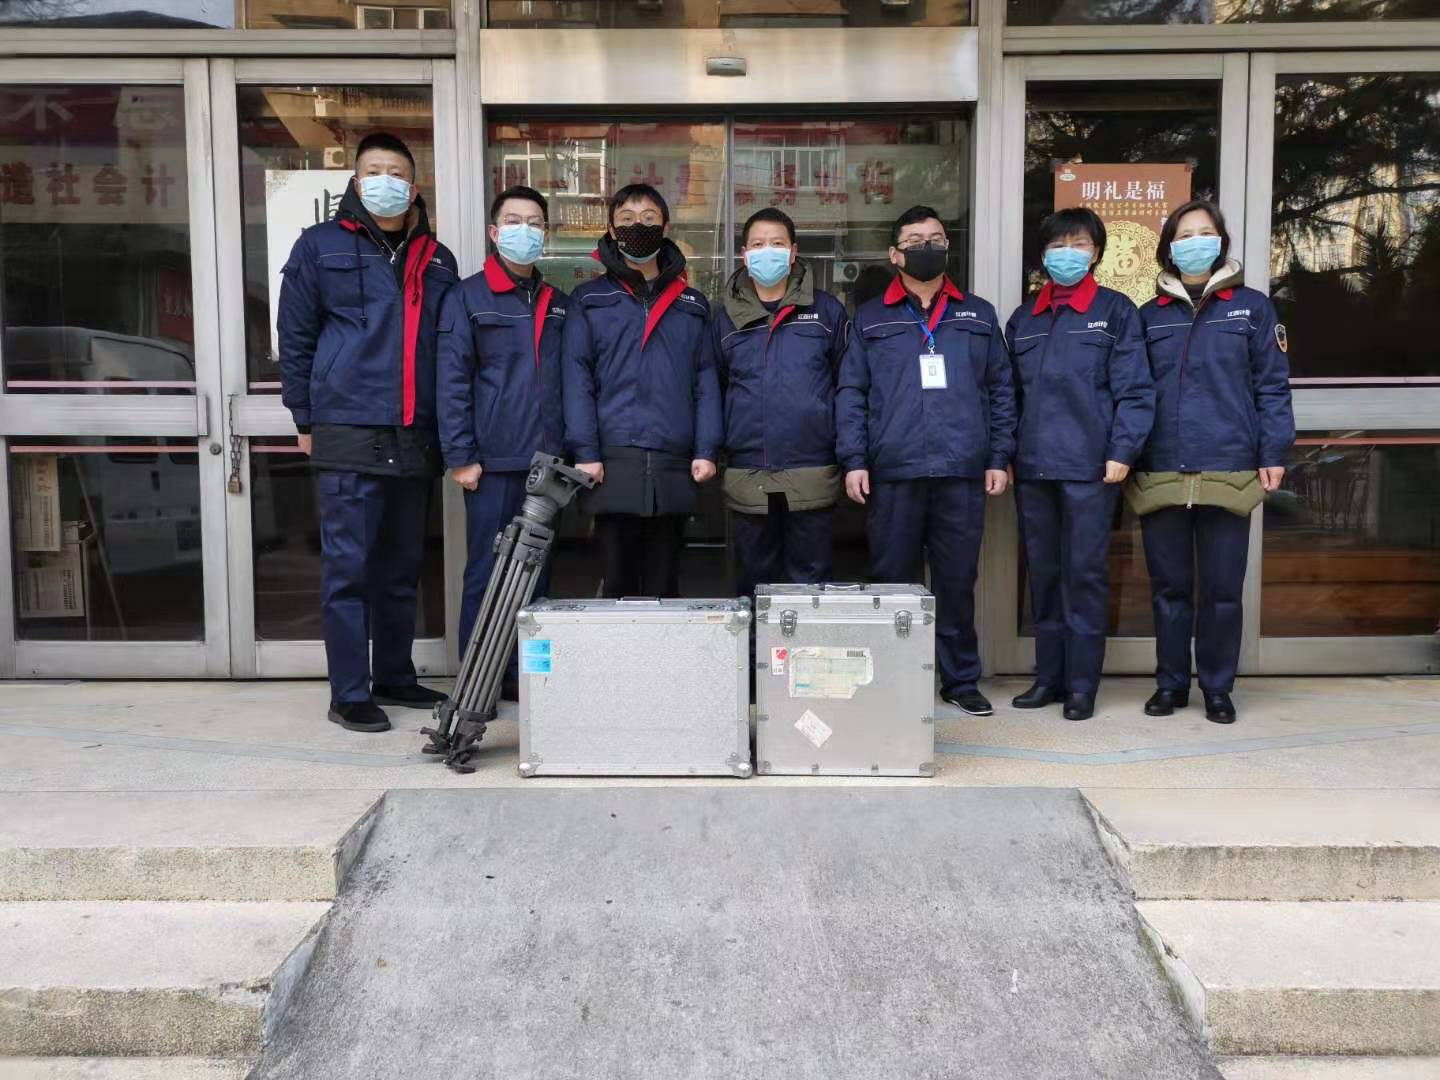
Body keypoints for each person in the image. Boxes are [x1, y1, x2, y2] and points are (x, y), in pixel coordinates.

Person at [278, 132, 459, 732]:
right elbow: (296, 337)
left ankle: (395, 676)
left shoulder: (437, 258)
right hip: (349, 428)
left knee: (402, 567)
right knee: (349, 570)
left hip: (415, 433)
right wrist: (304, 417)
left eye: (397, 173)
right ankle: (350, 692)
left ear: (413, 186)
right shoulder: (319, 246)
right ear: (356, 182)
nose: (386, 181)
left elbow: (449, 350)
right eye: (375, 170)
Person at [836, 205, 1017, 717]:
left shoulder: (977, 314)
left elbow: (1001, 389)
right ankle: (892, 680)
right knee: (892, 581)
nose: (927, 247)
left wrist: (998, 456)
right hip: (894, 471)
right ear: (895, 254)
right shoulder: (870, 317)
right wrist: (854, 459)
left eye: (935, 238)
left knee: (956, 582)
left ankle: (960, 679)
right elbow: (851, 393)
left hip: (961, 470)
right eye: (915, 240)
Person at [1129, 198, 1295, 724]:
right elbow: (1133, 393)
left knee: (1223, 590)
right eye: (1184, 235)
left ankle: (1218, 688)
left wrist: (1273, 451)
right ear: (1169, 247)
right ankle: (1171, 684)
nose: (1195, 242)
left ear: (1221, 242)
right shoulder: (1148, 316)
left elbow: (1272, 387)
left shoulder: (1252, 308)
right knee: (1169, 588)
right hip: (1161, 465)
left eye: (1205, 232)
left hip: (1230, 463)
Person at [1005, 207, 1154, 722]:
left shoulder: (1116, 312)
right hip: (1034, 469)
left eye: (1079, 244)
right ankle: (1049, 677)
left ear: (1096, 253)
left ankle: (1082, 685)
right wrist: (1005, 455)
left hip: (1091, 470)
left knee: (1084, 578)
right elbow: (1008, 396)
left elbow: (1136, 390)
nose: (1068, 253)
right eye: (1058, 245)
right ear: (1043, 255)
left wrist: (1122, 451)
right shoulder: (1024, 318)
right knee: (1044, 577)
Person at [561, 183, 722, 597]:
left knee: (666, 583)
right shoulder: (589, 299)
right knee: (617, 582)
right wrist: (586, 452)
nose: (638, 227)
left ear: (665, 228)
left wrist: (706, 449)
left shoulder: (692, 304)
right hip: (612, 459)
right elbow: (577, 379)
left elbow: (706, 380)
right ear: (613, 230)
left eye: (649, 219)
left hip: (673, 460)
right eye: (627, 220)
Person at [438, 185, 567, 679]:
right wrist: (460, 456)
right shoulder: (467, 297)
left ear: (545, 234)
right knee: (488, 573)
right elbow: (451, 380)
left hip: (548, 464)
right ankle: (479, 680)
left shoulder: (557, 302)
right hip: (492, 463)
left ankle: (527, 680)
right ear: (494, 232)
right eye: (514, 222)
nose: (525, 231)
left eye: (534, 223)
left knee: (538, 577)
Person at [712, 207, 848, 597]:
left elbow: (846, 386)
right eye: (758, 245)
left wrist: (850, 455)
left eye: (776, 243)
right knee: (754, 586)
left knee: (811, 590)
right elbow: (715, 388)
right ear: (744, 254)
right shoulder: (724, 319)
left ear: (792, 253)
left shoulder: (826, 312)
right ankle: (757, 642)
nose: (767, 252)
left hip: (812, 470)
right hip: (748, 473)